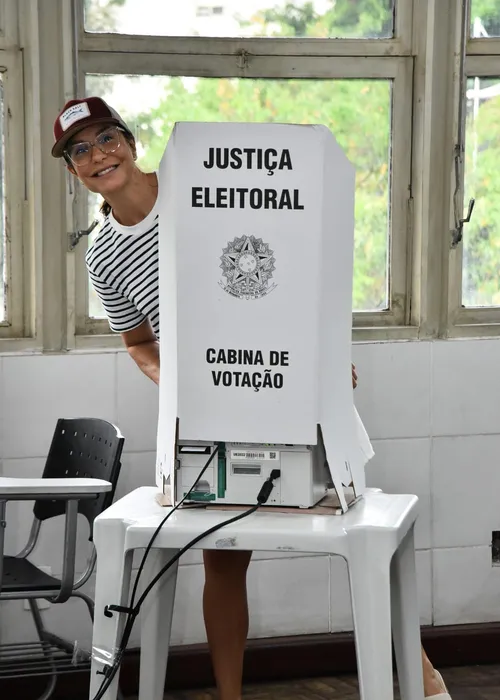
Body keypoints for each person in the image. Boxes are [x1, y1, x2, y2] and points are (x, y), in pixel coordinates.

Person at [52, 96, 451, 700]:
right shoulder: (104, 256)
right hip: (212, 416)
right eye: (80, 150)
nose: (98, 155)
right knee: (221, 555)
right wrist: (183, 387)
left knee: (364, 535)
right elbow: (137, 342)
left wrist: (317, 360)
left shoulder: (198, 182)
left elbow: (286, 262)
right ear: (72, 171)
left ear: (131, 143)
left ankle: (426, 682)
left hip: (290, 390)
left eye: (106, 138)